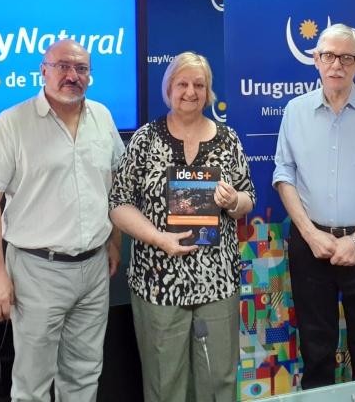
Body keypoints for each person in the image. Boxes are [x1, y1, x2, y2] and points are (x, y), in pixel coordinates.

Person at [0, 39, 124, 402]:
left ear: (90, 75)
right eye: (62, 66)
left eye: (81, 69)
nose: (72, 76)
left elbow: (114, 185)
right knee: (33, 385)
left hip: (94, 270)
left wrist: (114, 242)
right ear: (43, 70)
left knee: (84, 375)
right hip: (37, 270)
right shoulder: (13, 122)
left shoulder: (103, 117)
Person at [109, 52, 255, 402]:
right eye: (182, 84)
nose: (190, 92)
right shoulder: (145, 140)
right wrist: (159, 238)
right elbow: (118, 205)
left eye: (199, 85)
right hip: (158, 281)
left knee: (218, 381)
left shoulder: (228, 139)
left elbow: (248, 198)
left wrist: (233, 201)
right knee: (165, 383)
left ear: (208, 92)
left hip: (217, 282)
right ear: (169, 88)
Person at [273, 23, 355, 388]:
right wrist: (309, 233)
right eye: (328, 56)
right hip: (310, 245)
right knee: (316, 353)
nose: (337, 65)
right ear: (315, 60)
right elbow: (283, 175)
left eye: (346, 58)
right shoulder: (295, 111)